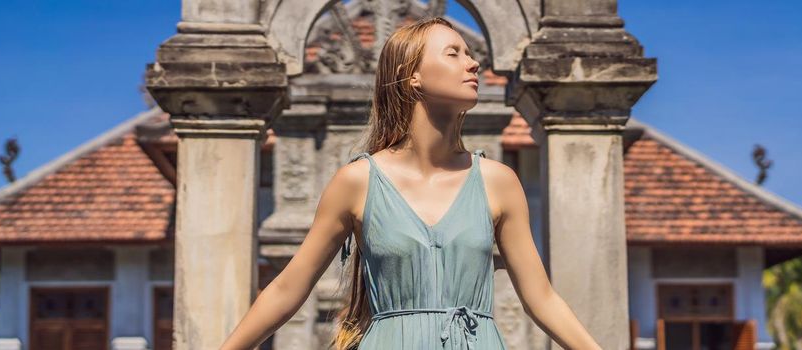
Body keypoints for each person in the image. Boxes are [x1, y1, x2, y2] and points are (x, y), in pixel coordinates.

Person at [220, 16, 602, 350]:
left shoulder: (498, 181)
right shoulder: (357, 182)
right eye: (453, 53)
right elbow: (288, 289)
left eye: (469, 53)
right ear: (412, 75)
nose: (472, 63)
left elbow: (542, 300)